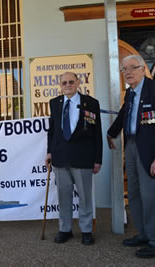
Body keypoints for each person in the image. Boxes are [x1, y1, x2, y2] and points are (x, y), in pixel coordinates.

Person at [107, 55, 155, 258]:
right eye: (124, 69)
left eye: (132, 68)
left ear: (143, 69)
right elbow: (124, 114)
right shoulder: (130, 93)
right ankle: (145, 234)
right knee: (135, 194)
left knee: (150, 198)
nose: (128, 72)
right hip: (131, 146)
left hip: (152, 151)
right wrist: (111, 132)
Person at [46, 72, 102, 245]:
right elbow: (53, 131)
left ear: (78, 82)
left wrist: (97, 159)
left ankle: (86, 230)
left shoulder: (91, 103)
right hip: (60, 158)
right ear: (60, 85)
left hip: (83, 157)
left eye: (71, 81)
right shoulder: (55, 103)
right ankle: (65, 229)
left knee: (85, 197)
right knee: (63, 196)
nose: (68, 85)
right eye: (64, 82)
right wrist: (49, 152)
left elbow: (96, 133)